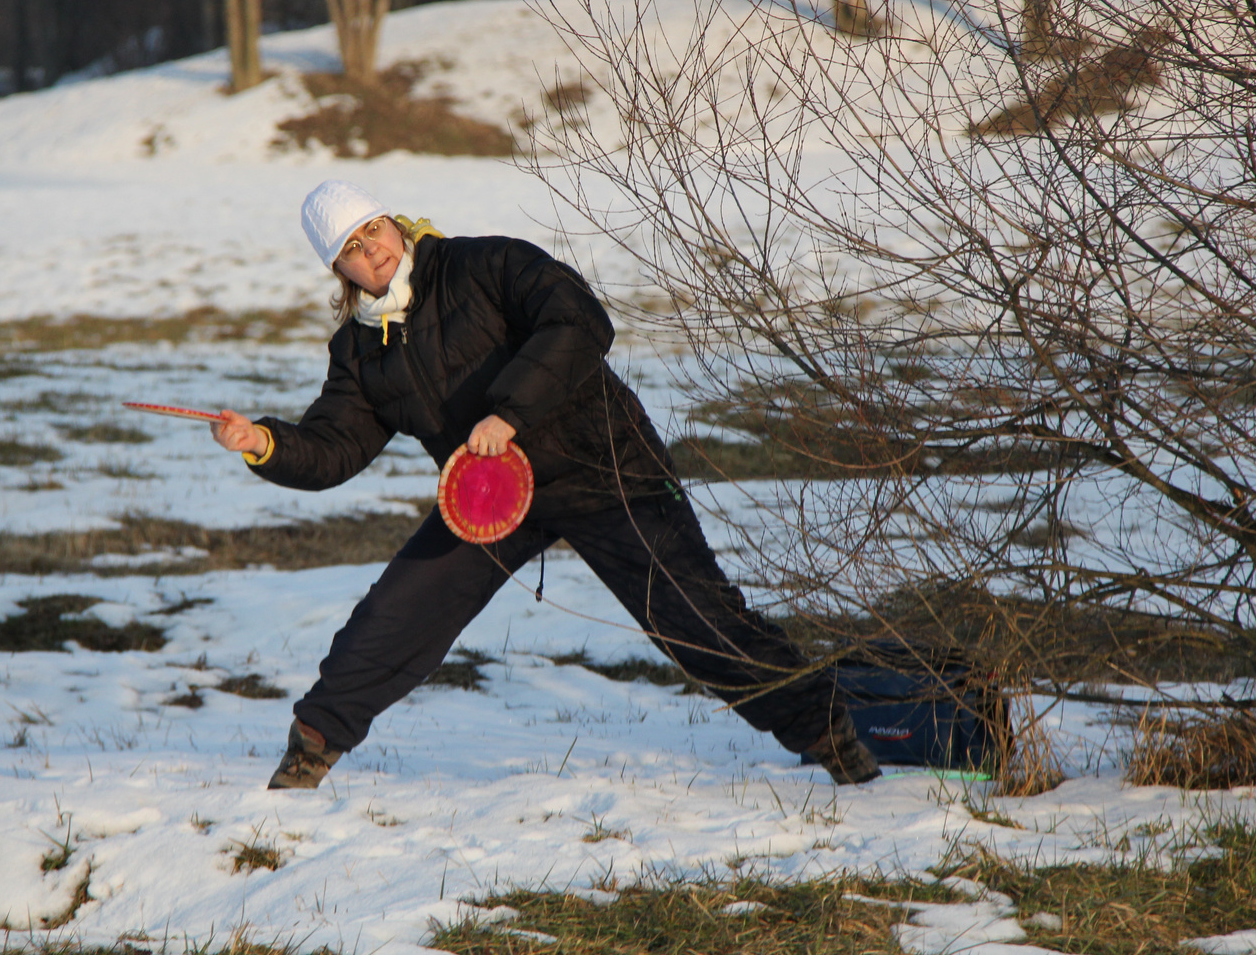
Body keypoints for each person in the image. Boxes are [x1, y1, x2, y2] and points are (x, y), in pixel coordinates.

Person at [210, 180, 880, 789]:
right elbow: (336, 447)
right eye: (350, 249)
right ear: (339, 269)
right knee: (392, 617)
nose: (371, 252)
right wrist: (263, 443)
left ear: (395, 224)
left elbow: (581, 321)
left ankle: (828, 731)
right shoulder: (360, 349)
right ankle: (310, 750)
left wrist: (509, 410)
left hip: (605, 466)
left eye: (373, 231)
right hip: (491, 500)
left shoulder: (484, 265)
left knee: (698, 620)